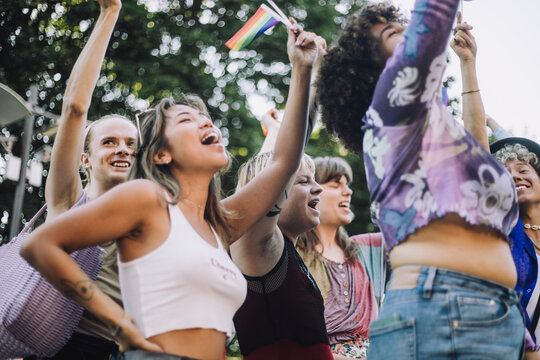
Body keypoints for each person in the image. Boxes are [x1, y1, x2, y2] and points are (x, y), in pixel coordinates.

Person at [20, 20, 317, 359]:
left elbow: (283, 163)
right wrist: (118, 321)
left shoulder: (220, 225)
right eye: (186, 120)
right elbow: (40, 245)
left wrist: (301, 68)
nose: (206, 122)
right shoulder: (147, 199)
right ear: (161, 154)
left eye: (205, 118)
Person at [316, 0, 524, 358]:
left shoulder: (429, 134)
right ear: (371, 71)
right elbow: (434, 14)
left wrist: (468, 65)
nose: (409, 34)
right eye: (393, 34)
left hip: (495, 312)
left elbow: (477, 150)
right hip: (440, 308)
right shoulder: (388, 109)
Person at [30, 0, 137, 358]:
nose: (123, 149)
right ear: (85, 159)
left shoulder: (151, 218)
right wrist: (110, 13)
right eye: (110, 142)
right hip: (66, 348)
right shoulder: (69, 201)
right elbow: (75, 107)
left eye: (130, 143)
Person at [230, 36, 334, 360]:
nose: (319, 189)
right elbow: (281, 162)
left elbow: (283, 155)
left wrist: (314, 73)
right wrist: (302, 71)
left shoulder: (285, 250)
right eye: (304, 181)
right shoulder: (259, 246)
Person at [296, 156, 382, 360]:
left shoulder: (366, 248)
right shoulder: (293, 254)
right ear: (312, 191)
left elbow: (416, 229)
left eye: (347, 184)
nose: (348, 191)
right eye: (335, 184)